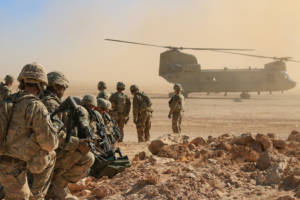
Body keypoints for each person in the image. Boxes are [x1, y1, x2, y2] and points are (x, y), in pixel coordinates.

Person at [0, 63, 59, 200]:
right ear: (41, 84)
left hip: (5, 161)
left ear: (22, 81)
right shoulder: (36, 106)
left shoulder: (6, 100)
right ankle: (37, 196)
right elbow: (49, 144)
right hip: (12, 167)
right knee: (51, 153)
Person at [41, 77, 94, 200]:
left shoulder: (46, 100)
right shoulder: (50, 103)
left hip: (41, 150)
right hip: (44, 153)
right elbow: (54, 135)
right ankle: (56, 187)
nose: (63, 91)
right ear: (57, 87)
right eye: (63, 88)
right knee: (87, 157)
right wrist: (77, 143)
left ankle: (54, 186)